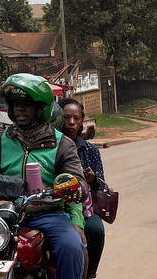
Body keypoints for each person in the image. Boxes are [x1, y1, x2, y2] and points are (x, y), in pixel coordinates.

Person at [0, 74, 88, 279]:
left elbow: (77, 180)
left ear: (41, 108)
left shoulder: (62, 144)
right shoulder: (0, 140)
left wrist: (73, 187)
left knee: (71, 247)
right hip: (5, 215)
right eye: (15, 104)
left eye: (26, 104)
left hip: (47, 214)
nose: (19, 109)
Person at [59, 99, 106, 279]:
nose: (71, 122)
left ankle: (91, 273)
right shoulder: (50, 146)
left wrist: (92, 179)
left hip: (84, 205)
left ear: (81, 121)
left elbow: (101, 183)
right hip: (54, 201)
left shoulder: (90, 150)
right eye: (66, 117)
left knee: (95, 230)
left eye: (76, 118)